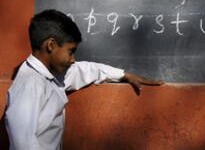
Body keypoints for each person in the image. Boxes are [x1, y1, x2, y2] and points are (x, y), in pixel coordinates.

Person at [5, 9, 163, 150]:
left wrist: (124, 75)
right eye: (70, 51)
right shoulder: (30, 83)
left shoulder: (52, 74)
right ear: (51, 45)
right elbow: (22, 142)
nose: (73, 59)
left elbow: (86, 70)